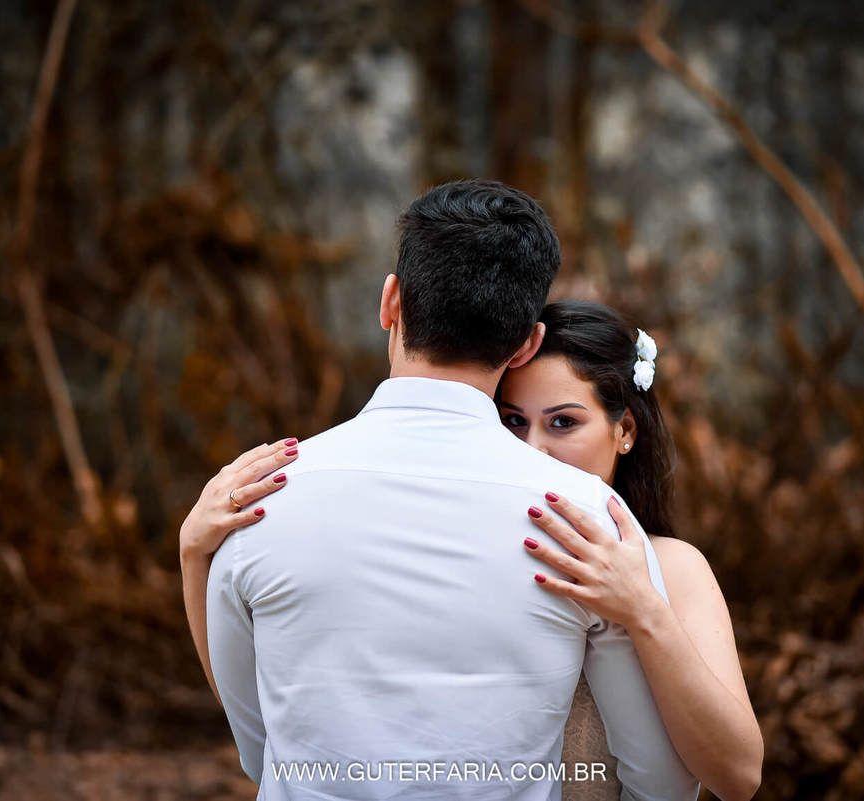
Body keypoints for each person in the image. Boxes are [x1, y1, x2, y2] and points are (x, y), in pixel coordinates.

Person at [180, 180, 761, 800]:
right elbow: (662, 786)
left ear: (390, 302)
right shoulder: (591, 523)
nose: (537, 443)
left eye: (563, 421)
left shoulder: (258, 501)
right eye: (522, 420)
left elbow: (265, 752)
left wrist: (197, 554)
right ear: (526, 345)